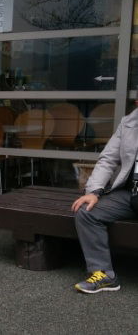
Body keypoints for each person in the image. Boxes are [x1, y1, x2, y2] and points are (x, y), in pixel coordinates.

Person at [71, 107, 138, 293]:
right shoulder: (129, 122)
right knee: (87, 212)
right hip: (131, 193)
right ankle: (103, 274)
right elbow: (108, 159)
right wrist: (93, 191)